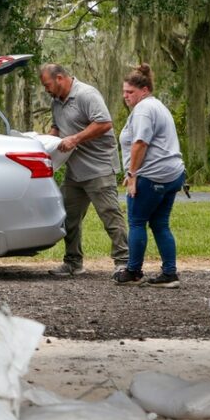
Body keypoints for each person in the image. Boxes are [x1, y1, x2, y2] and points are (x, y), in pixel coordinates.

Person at [40, 63, 129, 276]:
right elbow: (57, 127)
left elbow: (105, 123)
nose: (46, 90)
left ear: (60, 78)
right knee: (68, 216)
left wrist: (76, 138)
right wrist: (42, 140)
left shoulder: (86, 94)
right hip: (75, 171)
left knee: (110, 215)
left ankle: (124, 261)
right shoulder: (56, 101)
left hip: (99, 167)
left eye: (47, 84)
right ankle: (72, 262)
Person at [114, 64, 186, 288]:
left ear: (144, 90)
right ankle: (169, 273)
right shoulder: (156, 106)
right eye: (124, 91)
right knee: (160, 224)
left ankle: (133, 271)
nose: (126, 96)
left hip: (152, 175)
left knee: (136, 222)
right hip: (172, 173)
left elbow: (140, 143)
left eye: (130, 92)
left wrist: (132, 175)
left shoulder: (144, 109)